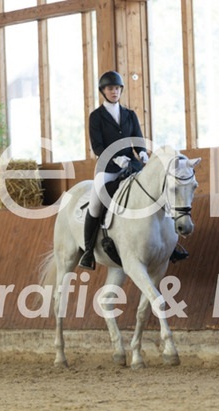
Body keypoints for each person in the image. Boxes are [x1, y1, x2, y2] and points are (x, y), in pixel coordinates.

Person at [79, 70, 188, 270]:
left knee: (157, 191)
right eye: (110, 89)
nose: (114, 92)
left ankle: (170, 245)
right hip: (108, 167)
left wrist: (142, 153)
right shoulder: (96, 117)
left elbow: (137, 138)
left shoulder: (129, 114)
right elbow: (97, 146)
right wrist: (115, 157)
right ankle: (87, 250)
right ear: (103, 91)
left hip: (132, 166)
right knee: (95, 203)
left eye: (117, 88)